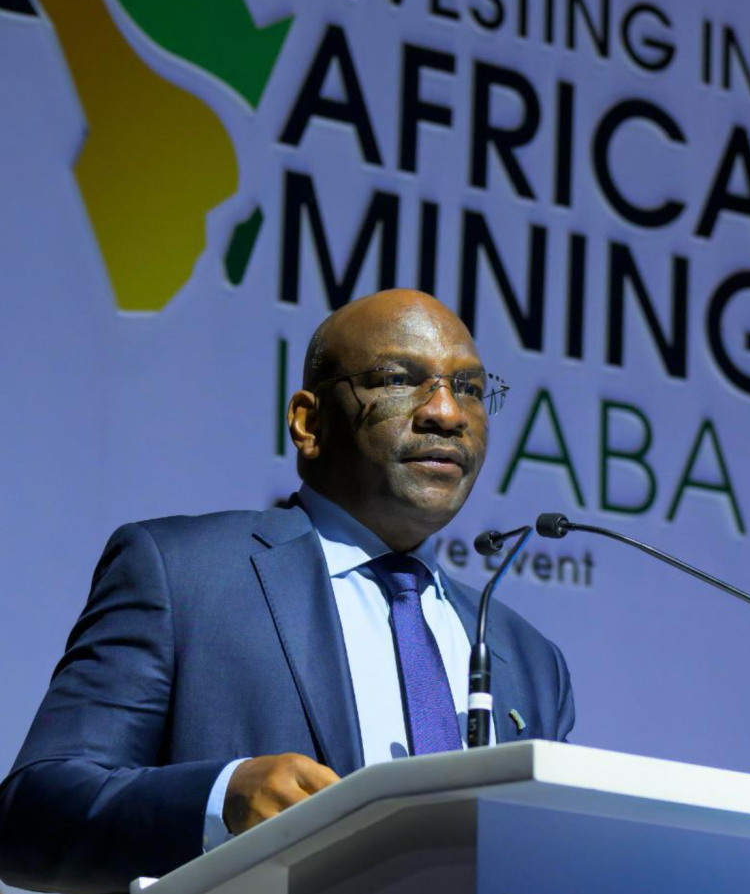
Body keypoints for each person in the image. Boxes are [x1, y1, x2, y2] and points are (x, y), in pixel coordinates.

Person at [0, 289, 574, 893]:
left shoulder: (529, 659)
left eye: (470, 389)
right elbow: (30, 816)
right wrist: (220, 801)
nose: (446, 413)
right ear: (308, 422)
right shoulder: (182, 574)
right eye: (398, 379)